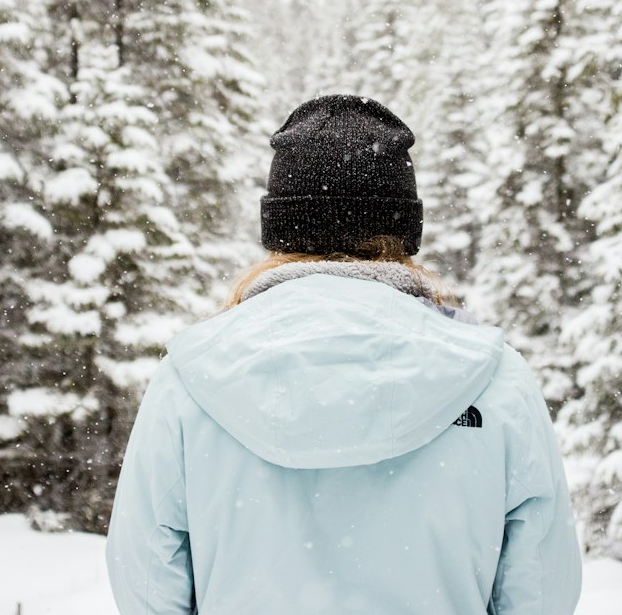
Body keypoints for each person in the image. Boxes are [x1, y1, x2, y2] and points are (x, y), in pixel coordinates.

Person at [105, 94, 583, 613]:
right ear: (403, 231)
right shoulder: (496, 380)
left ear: (279, 229)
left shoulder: (192, 378)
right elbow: (540, 591)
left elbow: (148, 586)